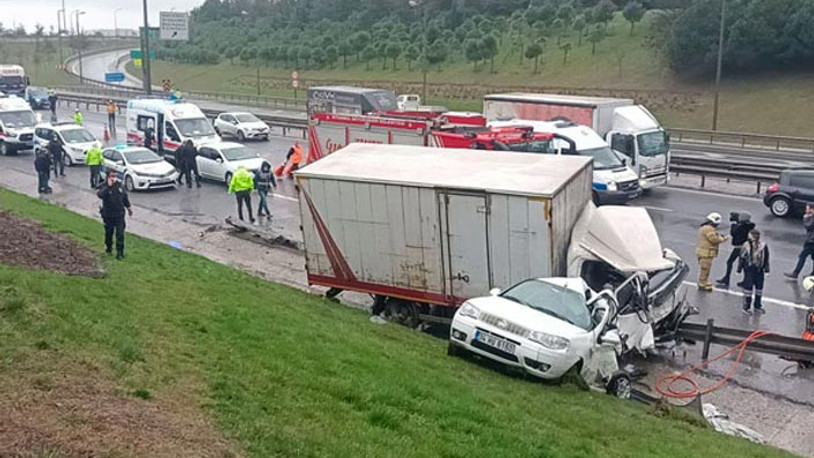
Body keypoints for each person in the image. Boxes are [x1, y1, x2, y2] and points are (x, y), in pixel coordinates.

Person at [97, 170, 133, 260]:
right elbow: (100, 194)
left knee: (120, 234)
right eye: (112, 176)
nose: (113, 178)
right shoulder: (104, 185)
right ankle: (109, 248)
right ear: (108, 176)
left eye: (115, 176)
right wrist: (108, 187)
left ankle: (120, 253)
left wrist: (129, 208)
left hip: (119, 214)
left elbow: (124, 197)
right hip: (108, 215)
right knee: (109, 233)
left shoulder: (119, 185)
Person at [716, 211, 755, 288]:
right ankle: (746, 280)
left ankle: (727, 278)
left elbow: (734, 233)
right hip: (744, 247)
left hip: (740, 247)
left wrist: (734, 225)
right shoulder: (748, 226)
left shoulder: (742, 227)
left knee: (731, 262)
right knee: (744, 264)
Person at [739, 229, 770, 315]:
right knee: (748, 289)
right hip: (749, 269)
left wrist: (766, 268)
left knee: (759, 289)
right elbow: (742, 257)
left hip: (759, 269)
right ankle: (746, 307)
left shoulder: (763, 246)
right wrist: (740, 268)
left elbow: (766, 257)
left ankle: (757, 305)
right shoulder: (746, 245)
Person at [695, 212, 729, 292]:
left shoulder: (706, 228)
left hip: (705, 252)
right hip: (705, 253)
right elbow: (714, 240)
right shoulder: (708, 229)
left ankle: (704, 281)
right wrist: (723, 239)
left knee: (706, 269)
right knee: (705, 269)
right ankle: (702, 284)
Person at [785, 204, 814, 279]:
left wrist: (805, 218)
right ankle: (812, 274)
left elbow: (808, 226)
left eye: (807, 209)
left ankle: (796, 273)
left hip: (811, 241)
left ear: (812, 209)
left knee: (802, 256)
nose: (806, 210)